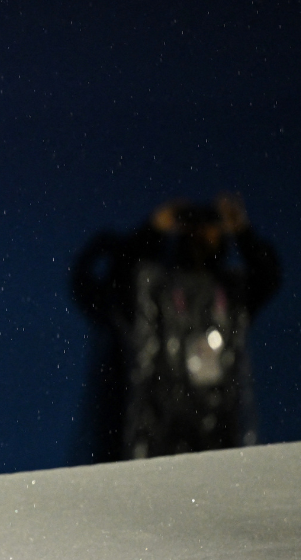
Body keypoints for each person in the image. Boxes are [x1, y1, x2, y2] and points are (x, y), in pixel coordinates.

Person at [71, 194, 281, 459]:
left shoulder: (231, 292)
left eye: (210, 225)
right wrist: (152, 230)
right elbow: (104, 279)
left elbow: (269, 276)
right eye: (193, 226)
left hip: (219, 438)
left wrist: (242, 231)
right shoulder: (152, 289)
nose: (202, 233)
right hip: (155, 438)